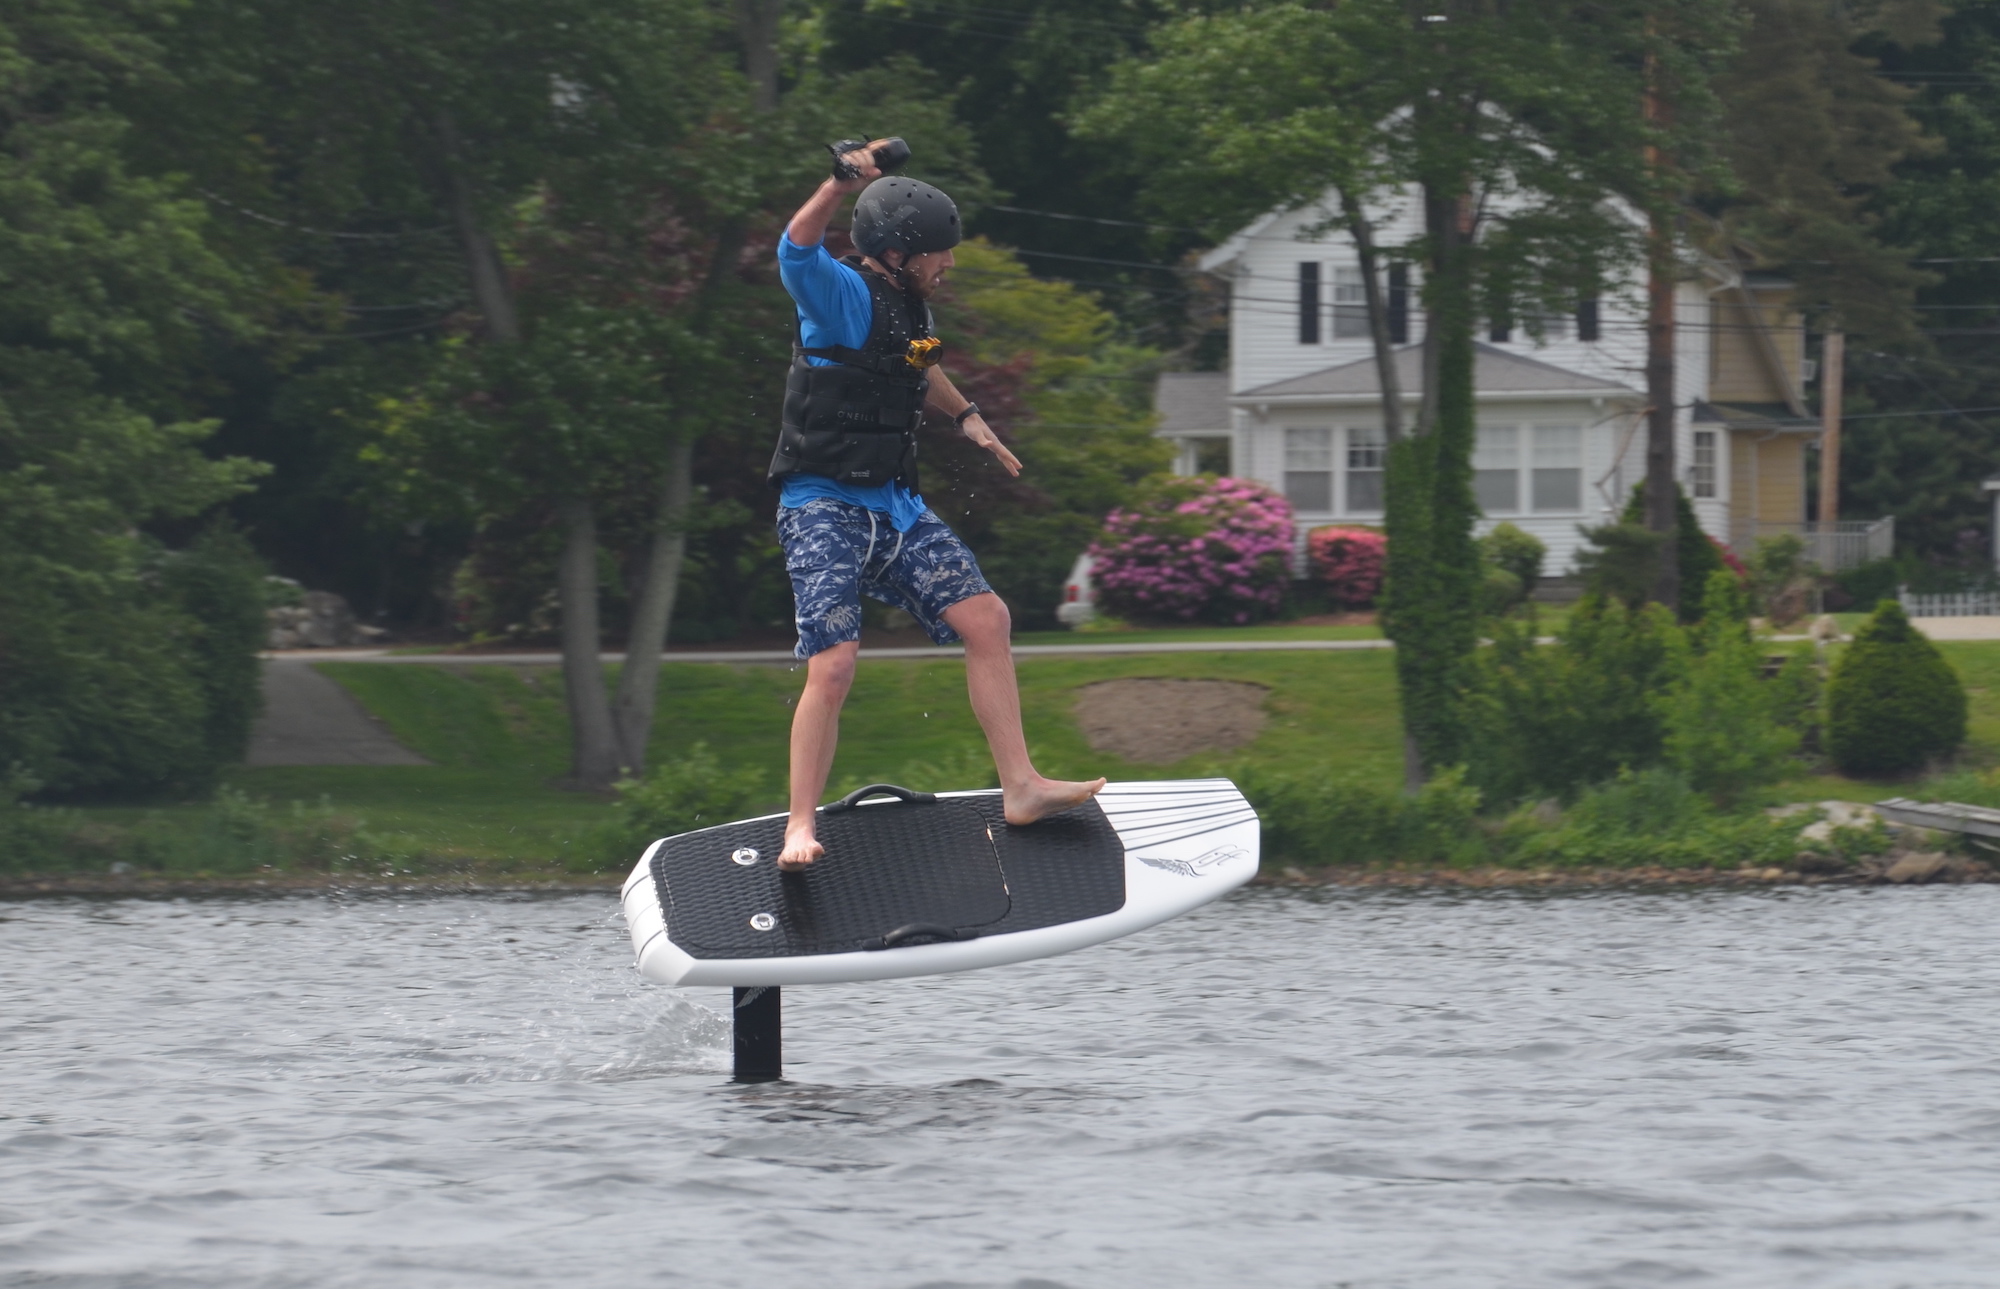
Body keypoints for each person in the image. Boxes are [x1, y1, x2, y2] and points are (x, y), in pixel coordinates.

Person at [770, 139, 1105, 871]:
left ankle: (1020, 786)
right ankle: (799, 826)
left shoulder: (908, 304)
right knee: (834, 664)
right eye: (939, 253)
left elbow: (917, 367)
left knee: (987, 617)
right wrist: (837, 183)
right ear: (895, 250)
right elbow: (796, 249)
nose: (948, 264)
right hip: (822, 504)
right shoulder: (843, 292)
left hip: (893, 507)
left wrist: (969, 417)